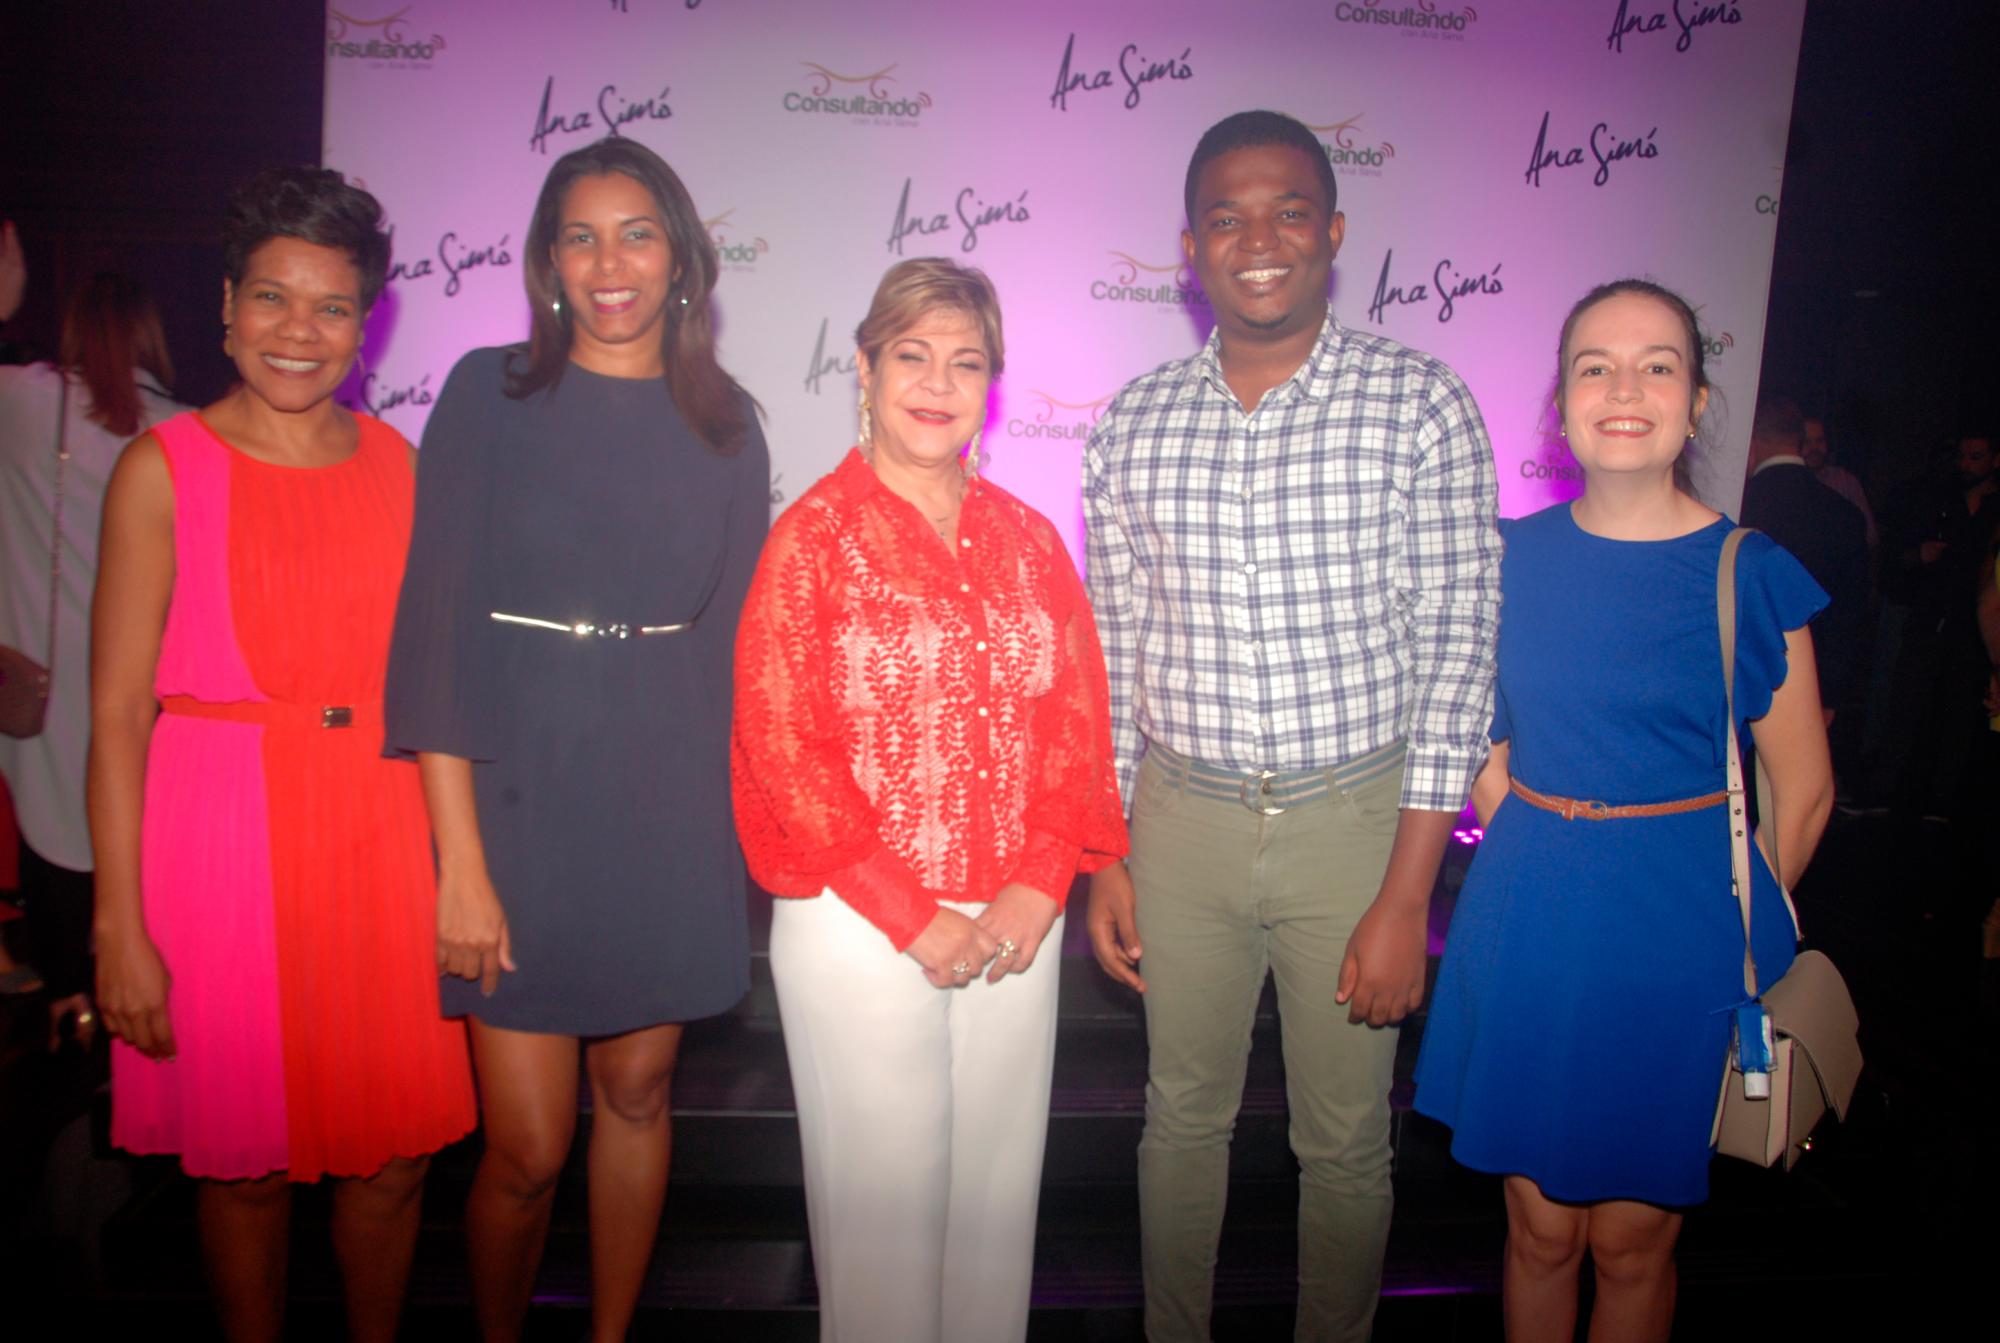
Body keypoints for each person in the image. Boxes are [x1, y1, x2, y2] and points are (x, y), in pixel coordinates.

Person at [1083, 110, 1501, 1343]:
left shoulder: (1420, 403)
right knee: (1180, 1119)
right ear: (1187, 246)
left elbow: (1455, 659)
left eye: (1283, 211)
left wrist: (1402, 896)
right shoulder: (1131, 422)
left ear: (1331, 231)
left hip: (1354, 823)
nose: (1254, 238)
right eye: (1224, 214)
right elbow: (1111, 656)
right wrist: (1103, 848)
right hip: (1178, 821)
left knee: (1344, 1144)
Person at [384, 137, 768, 1343]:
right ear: (549, 260)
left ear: (681, 258)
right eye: (581, 234)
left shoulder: (726, 423)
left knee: (640, 1092)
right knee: (528, 1144)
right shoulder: (485, 394)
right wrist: (459, 863)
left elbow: (736, 653)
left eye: (636, 232)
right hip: (516, 798)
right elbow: (433, 633)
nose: (610, 262)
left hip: (665, 797)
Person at [89, 166, 476, 1342]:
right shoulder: (161, 469)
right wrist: (118, 919)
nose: (297, 333)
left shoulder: (403, 466)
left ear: (366, 325)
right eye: (271, 298)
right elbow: (112, 715)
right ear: (224, 305)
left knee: (394, 1161)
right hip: (217, 842)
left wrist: (463, 864)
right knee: (243, 1168)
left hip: (378, 833)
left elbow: (447, 683)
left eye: (330, 307)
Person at [1413, 278, 1835, 1343]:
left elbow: (1804, 784)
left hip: (1678, 939)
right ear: (1559, 405)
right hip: (1530, 922)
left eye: (1657, 364)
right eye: (1593, 365)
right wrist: (1537, 825)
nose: (1624, 387)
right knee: (1538, 1230)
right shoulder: (1504, 557)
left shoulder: (1748, 568)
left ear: (1695, 403)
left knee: (1633, 1241)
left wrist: (1729, 925)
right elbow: (1472, 725)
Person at [731, 257, 1127, 1343]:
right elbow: (780, 744)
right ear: (863, 368)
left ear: (990, 386)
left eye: (965, 361)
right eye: (911, 353)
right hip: (862, 927)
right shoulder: (810, 537)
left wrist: (1039, 884)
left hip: (1015, 922)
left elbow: (1074, 725)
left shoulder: (1028, 540)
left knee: (994, 1227)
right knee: (884, 1245)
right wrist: (912, 913)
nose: (936, 381)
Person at [1, 267, 185, 1034]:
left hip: (38, 678)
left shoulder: (18, 402)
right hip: (150, 678)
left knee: (49, 827)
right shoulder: (188, 429)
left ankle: (66, 997)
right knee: (128, 831)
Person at [1740, 394, 1869, 720]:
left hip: (1739, 677)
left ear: (1752, 440)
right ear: (1797, 439)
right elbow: (1850, 615)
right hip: (1811, 682)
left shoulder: (1737, 507)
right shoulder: (1844, 514)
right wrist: (1830, 696)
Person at [1801, 415, 1877, 548]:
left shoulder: (1846, 481)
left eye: (1819, 441)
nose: (1814, 449)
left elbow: (1870, 536)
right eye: (1807, 442)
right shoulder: (1793, 482)